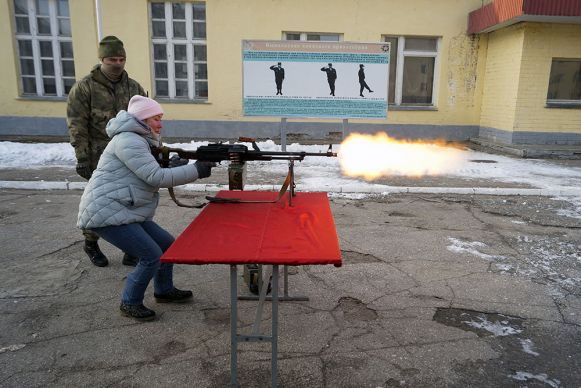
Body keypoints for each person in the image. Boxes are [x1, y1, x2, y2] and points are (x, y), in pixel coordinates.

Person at [77, 95, 215, 321]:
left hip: (125, 208)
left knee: (167, 245)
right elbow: (155, 177)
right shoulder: (129, 140)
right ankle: (129, 302)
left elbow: (146, 170)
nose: (160, 124)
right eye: (156, 119)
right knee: (151, 255)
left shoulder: (141, 139)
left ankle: (163, 290)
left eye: (160, 118)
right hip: (107, 212)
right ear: (142, 120)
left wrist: (173, 165)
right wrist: (196, 170)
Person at [67, 35, 146, 268]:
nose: (118, 63)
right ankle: (91, 242)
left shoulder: (134, 87)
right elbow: (77, 125)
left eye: (121, 58)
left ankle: (131, 247)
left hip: (129, 154)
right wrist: (82, 157)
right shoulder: (84, 88)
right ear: (102, 59)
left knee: (132, 198)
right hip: (97, 155)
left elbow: (146, 118)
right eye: (112, 58)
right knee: (100, 202)